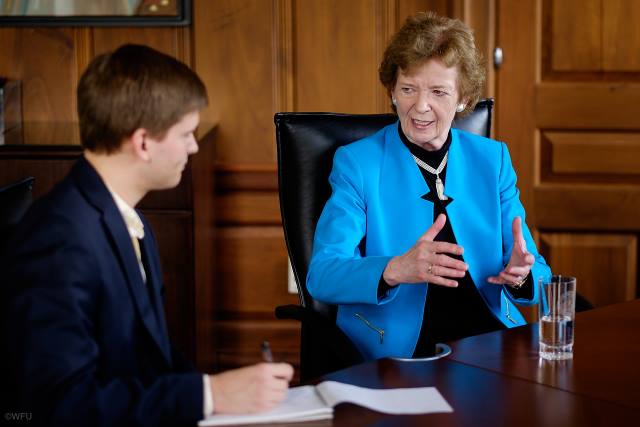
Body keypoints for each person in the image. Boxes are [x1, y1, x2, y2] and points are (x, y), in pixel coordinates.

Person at [0, 44, 293, 426]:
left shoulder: (129, 220)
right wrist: (211, 395)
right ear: (142, 143)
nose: (193, 146)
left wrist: (217, 391)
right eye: (186, 133)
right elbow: (62, 406)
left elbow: (152, 357)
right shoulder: (58, 240)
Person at [306, 12, 551, 361]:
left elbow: (540, 276)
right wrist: (395, 269)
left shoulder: (492, 159)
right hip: (400, 349)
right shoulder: (358, 164)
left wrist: (521, 275)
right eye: (408, 89)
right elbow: (323, 274)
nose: (420, 106)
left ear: (463, 98)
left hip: (490, 342)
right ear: (392, 91)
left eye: (438, 92)